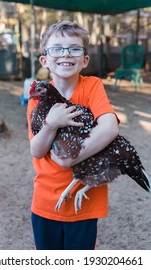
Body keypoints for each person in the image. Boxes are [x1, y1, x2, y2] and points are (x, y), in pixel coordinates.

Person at [27, 20, 119, 250]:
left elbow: (110, 128)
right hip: (46, 200)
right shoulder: (37, 99)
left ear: (85, 60)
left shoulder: (92, 86)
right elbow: (37, 151)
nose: (65, 54)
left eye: (74, 48)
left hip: (84, 200)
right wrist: (51, 124)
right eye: (57, 48)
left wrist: (70, 158)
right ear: (44, 60)